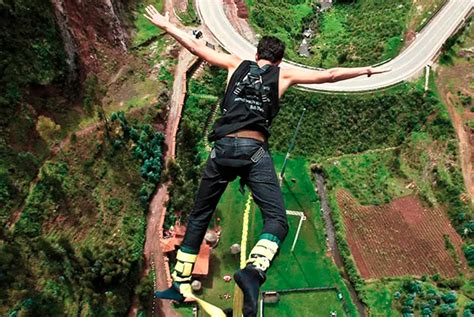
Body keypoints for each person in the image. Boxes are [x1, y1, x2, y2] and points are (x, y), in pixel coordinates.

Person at [144, 5, 389, 317]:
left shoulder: (235, 63)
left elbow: (195, 46)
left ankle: (180, 281)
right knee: (276, 221)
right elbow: (328, 76)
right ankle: (254, 271)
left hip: (222, 151)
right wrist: (365, 70)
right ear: (279, 60)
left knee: (199, 216)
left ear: (256, 53)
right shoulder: (284, 75)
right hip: (253, 151)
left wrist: (167, 25)